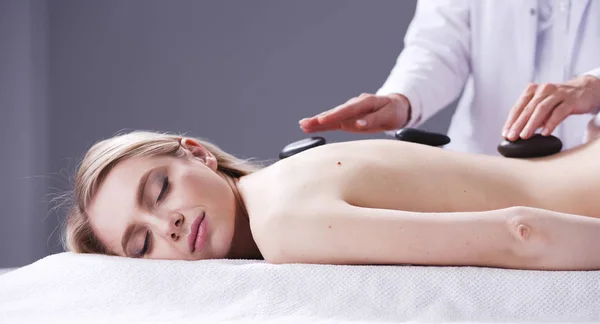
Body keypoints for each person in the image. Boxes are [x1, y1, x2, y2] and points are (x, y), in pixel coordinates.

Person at [64, 119, 600, 271]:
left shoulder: (283, 225)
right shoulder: (282, 181)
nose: (168, 227)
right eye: (140, 245)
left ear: (198, 153)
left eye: (159, 190)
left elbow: (521, 236)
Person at [299, 0, 600, 155]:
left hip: (586, 172)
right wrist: (401, 99)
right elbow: (438, 44)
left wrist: (593, 84)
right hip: (483, 166)